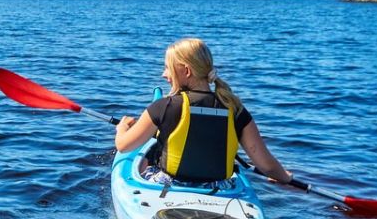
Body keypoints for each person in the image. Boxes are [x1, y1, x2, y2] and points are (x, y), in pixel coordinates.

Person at [113, 38, 292, 187]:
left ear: (186, 71)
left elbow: (124, 146)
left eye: (167, 67)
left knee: (147, 159)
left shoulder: (163, 106)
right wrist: (284, 177)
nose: (163, 74)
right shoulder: (234, 108)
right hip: (219, 186)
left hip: (170, 185)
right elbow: (266, 165)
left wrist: (122, 128)